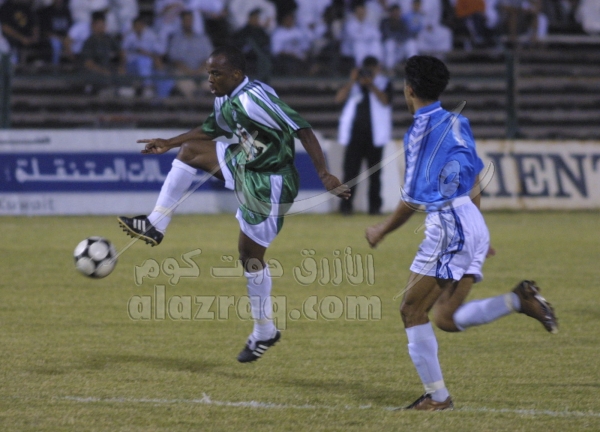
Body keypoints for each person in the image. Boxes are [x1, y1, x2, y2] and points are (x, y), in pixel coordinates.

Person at [118, 46, 350, 363]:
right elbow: (212, 129)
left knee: (250, 257)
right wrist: (169, 142)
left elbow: (303, 129)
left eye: (216, 73)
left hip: (269, 182)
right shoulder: (225, 96)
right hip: (244, 162)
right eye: (208, 73)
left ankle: (264, 331)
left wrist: (323, 173)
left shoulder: (255, 99)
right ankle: (156, 223)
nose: (209, 80)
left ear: (236, 74)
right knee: (189, 150)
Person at [365, 55, 558, 411]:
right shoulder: (458, 121)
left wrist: (382, 229)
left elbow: (412, 199)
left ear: (409, 90)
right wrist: (477, 230)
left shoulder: (419, 132)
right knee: (446, 318)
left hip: (449, 227)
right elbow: (473, 179)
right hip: (469, 220)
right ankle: (518, 300)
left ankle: (437, 398)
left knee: (411, 310)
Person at [336, 55, 392, 216]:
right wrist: (352, 81)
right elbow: (338, 99)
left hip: (375, 136)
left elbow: (385, 101)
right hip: (354, 135)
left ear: (378, 69)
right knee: (350, 172)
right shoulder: (354, 85)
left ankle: (375, 207)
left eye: (371, 69)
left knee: (375, 174)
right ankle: (346, 207)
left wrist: (371, 84)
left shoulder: (384, 83)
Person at [167, 10, 213, 99]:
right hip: (183, 70)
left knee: (210, 82)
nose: (188, 22)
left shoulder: (202, 38)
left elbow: (209, 58)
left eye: (190, 20)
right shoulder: (175, 39)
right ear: (181, 21)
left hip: (202, 69)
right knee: (187, 86)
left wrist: (198, 71)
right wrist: (189, 72)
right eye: (186, 20)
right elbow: (175, 60)